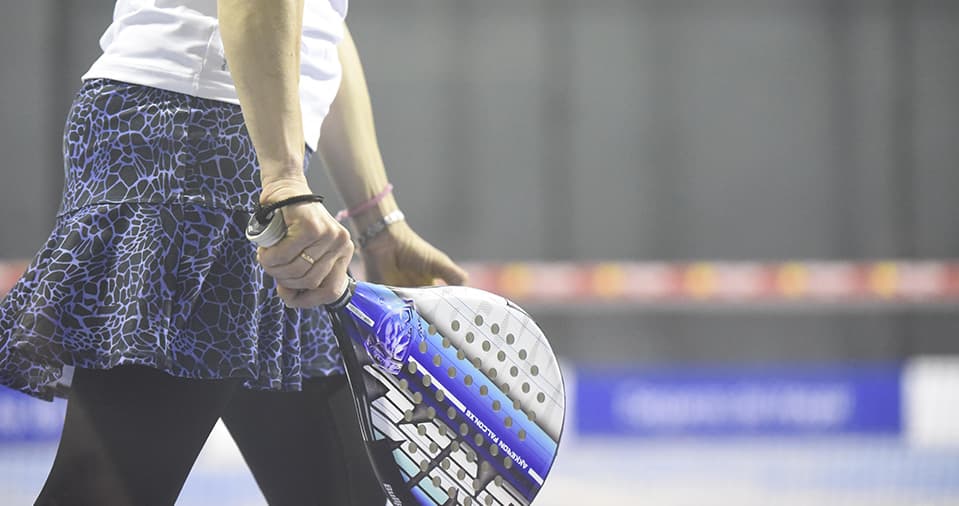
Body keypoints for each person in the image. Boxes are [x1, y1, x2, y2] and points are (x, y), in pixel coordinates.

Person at [0, 0, 468, 504]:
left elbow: (322, 27)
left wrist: (379, 224)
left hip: (224, 140)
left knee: (347, 489)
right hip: (199, 141)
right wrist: (284, 179)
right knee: (109, 486)